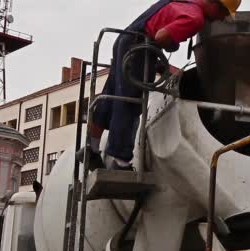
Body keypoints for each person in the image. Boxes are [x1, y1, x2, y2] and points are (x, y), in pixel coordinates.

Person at [79, 0, 241, 170]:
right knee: (130, 101)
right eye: (224, 14)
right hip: (139, 47)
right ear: (216, 5)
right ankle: (120, 161)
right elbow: (161, 37)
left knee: (112, 94)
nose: (221, 19)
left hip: (124, 40)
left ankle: (91, 148)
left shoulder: (182, 2)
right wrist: (173, 44)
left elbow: (154, 21)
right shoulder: (195, 18)